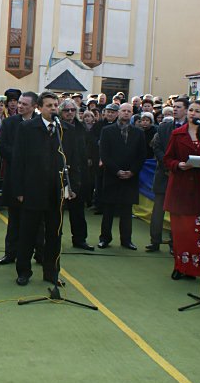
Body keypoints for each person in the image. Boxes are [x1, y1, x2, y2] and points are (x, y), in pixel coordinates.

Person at [10, 91, 82, 286]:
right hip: (32, 190)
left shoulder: (66, 129)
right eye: (49, 105)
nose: (53, 109)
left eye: (55, 105)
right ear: (39, 108)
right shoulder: (27, 128)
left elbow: (74, 159)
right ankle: (23, 271)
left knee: (54, 234)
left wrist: (72, 186)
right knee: (28, 233)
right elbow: (18, 161)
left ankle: (51, 272)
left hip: (56, 191)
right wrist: (19, 190)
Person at [163, 100, 200, 279]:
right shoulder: (177, 134)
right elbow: (167, 159)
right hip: (180, 187)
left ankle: (194, 269)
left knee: (197, 232)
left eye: (197, 111)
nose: (192, 114)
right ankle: (180, 266)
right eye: (191, 110)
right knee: (181, 233)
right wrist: (178, 164)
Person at [0, 91, 40, 265]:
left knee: (37, 221)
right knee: (14, 219)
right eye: (19, 103)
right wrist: (19, 157)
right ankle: (10, 253)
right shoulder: (9, 123)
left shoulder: (41, 124)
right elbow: (2, 146)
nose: (20, 106)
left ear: (34, 107)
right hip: (15, 176)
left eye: (24, 104)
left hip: (36, 179)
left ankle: (39, 253)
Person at [97, 103, 147, 250]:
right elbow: (104, 154)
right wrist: (116, 171)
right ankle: (104, 238)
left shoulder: (139, 133)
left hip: (130, 177)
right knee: (108, 210)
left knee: (126, 211)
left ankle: (126, 240)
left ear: (132, 114)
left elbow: (142, 155)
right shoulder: (107, 131)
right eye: (123, 110)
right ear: (118, 112)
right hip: (112, 176)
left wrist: (132, 171)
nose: (126, 113)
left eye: (129, 111)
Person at [60, 99, 93, 250]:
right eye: (66, 110)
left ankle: (80, 239)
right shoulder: (57, 127)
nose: (70, 113)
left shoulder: (81, 128)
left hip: (78, 174)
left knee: (78, 210)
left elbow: (86, 150)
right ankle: (55, 239)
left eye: (73, 110)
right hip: (60, 172)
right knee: (57, 210)